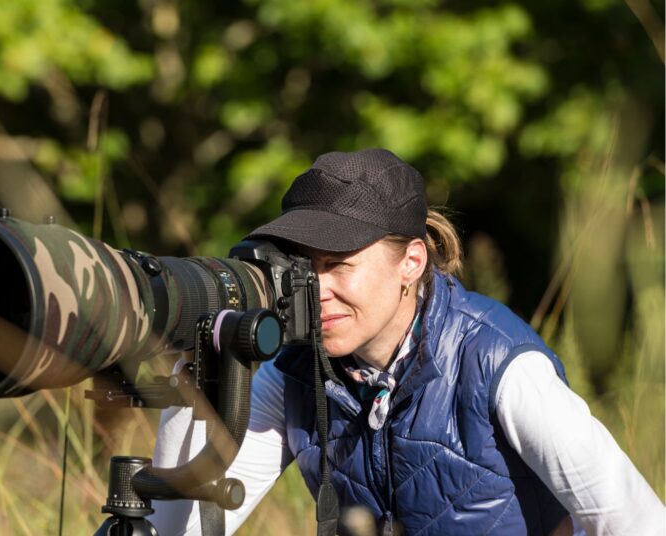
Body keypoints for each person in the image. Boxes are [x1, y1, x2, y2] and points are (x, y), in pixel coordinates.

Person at [148, 149, 664, 535]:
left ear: (411, 262)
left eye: (338, 265)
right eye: (303, 268)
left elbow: (634, 520)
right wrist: (198, 375)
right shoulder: (293, 372)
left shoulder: (497, 363)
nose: (316, 289)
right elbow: (183, 528)